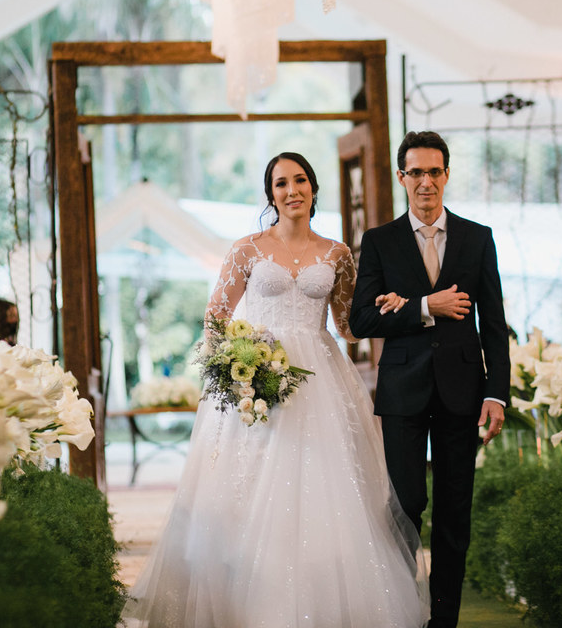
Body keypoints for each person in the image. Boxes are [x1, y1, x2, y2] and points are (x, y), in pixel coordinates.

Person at [123, 152, 428, 628]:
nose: (292, 190)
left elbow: (347, 326)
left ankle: (318, 602)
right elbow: (215, 318)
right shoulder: (246, 250)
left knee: (324, 493)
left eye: (300, 180)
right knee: (247, 494)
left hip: (320, 384)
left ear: (313, 188)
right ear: (271, 194)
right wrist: (237, 369)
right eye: (281, 183)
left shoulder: (337, 254)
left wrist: (389, 308)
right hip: (256, 382)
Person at [350, 130, 512, 628]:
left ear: (446, 174)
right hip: (402, 392)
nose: (425, 182)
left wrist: (496, 393)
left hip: (463, 391)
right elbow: (361, 321)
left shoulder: (477, 237)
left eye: (434, 171)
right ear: (402, 178)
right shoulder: (378, 242)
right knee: (405, 506)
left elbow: (493, 320)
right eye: (415, 172)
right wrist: (425, 307)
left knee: (453, 511)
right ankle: (402, 611)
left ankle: (444, 620)